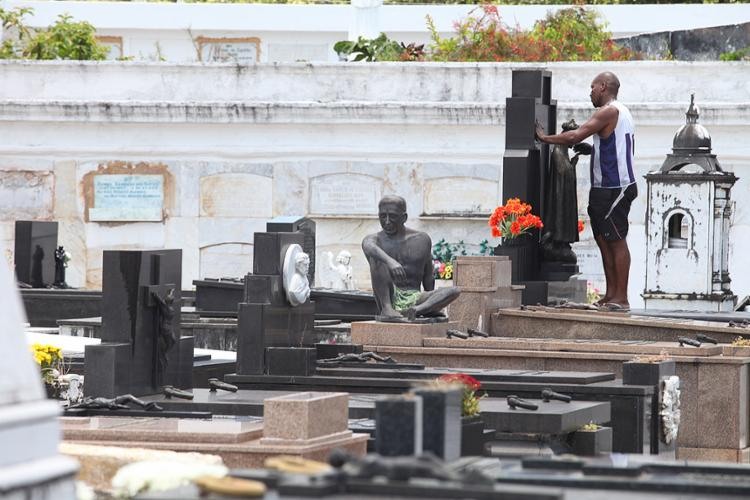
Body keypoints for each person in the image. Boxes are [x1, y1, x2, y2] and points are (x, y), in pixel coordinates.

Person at [535, 71, 636, 312]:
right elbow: (609, 143)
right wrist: (590, 149)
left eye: (592, 87)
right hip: (603, 187)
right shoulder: (617, 113)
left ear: (603, 87)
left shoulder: (610, 111)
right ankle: (610, 294)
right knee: (603, 240)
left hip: (616, 187)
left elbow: (575, 134)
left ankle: (621, 298)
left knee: (616, 241)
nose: (589, 92)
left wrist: (543, 137)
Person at [362, 195, 460, 320]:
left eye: (392, 216)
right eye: (382, 216)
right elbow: (367, 245)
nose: (386, 221)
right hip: (390, 298)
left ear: (404, 218)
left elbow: (428, 276)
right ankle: (387, 309)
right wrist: (390, 261)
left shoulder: (421, 240)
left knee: (454, 291)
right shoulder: (374, 240)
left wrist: (432, 302)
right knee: (376, 257)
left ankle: (419, 310)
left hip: (416, 298)